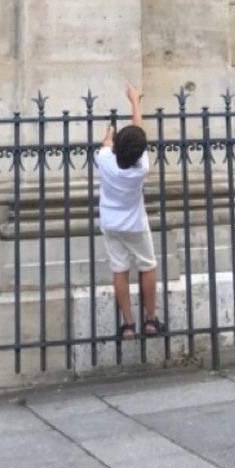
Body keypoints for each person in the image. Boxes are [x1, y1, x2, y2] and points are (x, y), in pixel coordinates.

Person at [97, 84, 165, 341]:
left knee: (119, 270)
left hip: (111, 224)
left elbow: (106, 145)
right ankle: (150, 320)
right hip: (135, 224)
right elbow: (139, 132)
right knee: (147, 266)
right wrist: (135, 101)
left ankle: (127, 324)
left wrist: (109, 136)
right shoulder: (141, 168)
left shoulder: (105, 160)